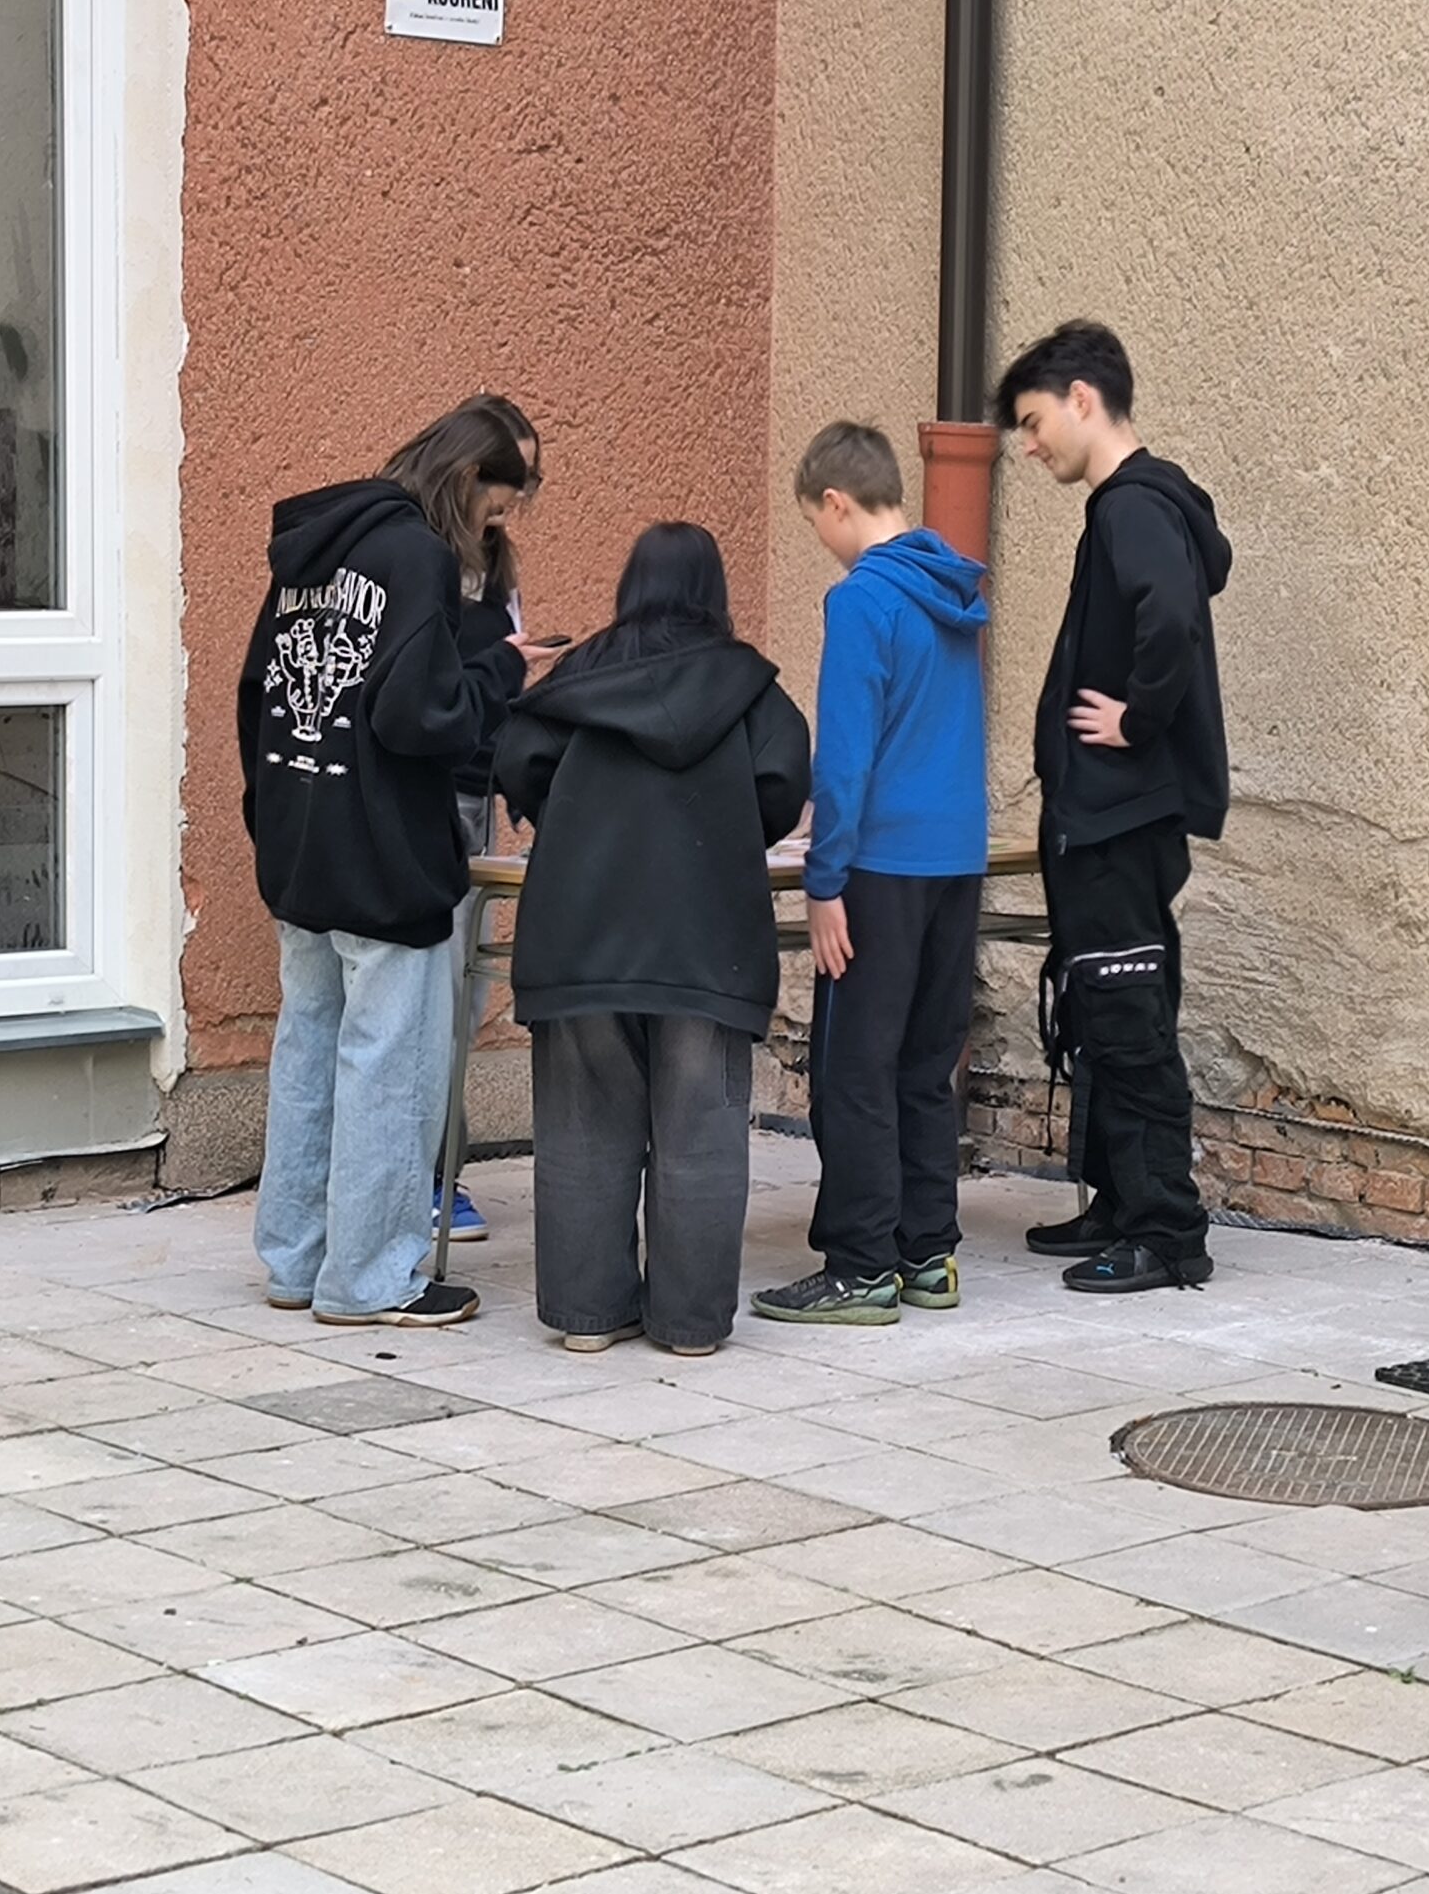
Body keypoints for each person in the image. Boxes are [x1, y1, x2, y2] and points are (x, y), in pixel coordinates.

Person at [239, 402, 551, 1326]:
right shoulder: (415, 557)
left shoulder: (310, 550)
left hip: (300, 840)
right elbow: (420, 715)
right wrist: (500, 672)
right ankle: (371, 1279)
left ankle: (295, 1260)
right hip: (384, 852)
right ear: (470, 476)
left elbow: (256, 693)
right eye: (504, 498)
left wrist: (269, 815)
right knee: (388, 1059)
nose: (503, 519)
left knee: (308, 1048)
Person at [494, 523, 811, 1356]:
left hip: (578, 931)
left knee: (582, 1126)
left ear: (630, 586)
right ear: (714, 591)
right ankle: (691, 1324)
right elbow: (783, 782)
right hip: (708, 937)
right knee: (702, 1131)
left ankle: (588, 1318)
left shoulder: (576, 679)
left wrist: (571, 818)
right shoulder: (751, 688)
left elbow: (517, 760)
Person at [994, 320, 1233, 1295]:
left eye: (1032, 421)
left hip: (1119, 817)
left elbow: (1168, 616)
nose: (1028, 444)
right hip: (1109, 816)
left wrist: (1136, 718)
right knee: (1105, 1003)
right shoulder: (1133, 507)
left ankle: (1167, 1232)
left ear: (1082, 400)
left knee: (1127, 1011)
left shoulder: (1133, 506)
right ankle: (1122, 1200)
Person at [752, 423, 990, 1328]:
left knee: (854, 1068)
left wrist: (824, 883)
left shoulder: (862, 600)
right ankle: (928, 1254)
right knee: (926, 1066)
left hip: (880, 864)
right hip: (955, 858)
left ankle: (859, 1267)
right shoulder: (951, 592)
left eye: (815, 520)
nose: (821, 538)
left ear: (836, 502)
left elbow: (845, 753)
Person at [431, 393, 544, 1244]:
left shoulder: (497, 567)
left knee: (466, 999)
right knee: (430, 997)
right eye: (513, 480)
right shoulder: (424, 562)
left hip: (481, 797)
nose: (520, 500)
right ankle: (427, 1178)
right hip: (434, 797)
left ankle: (440, 1169)